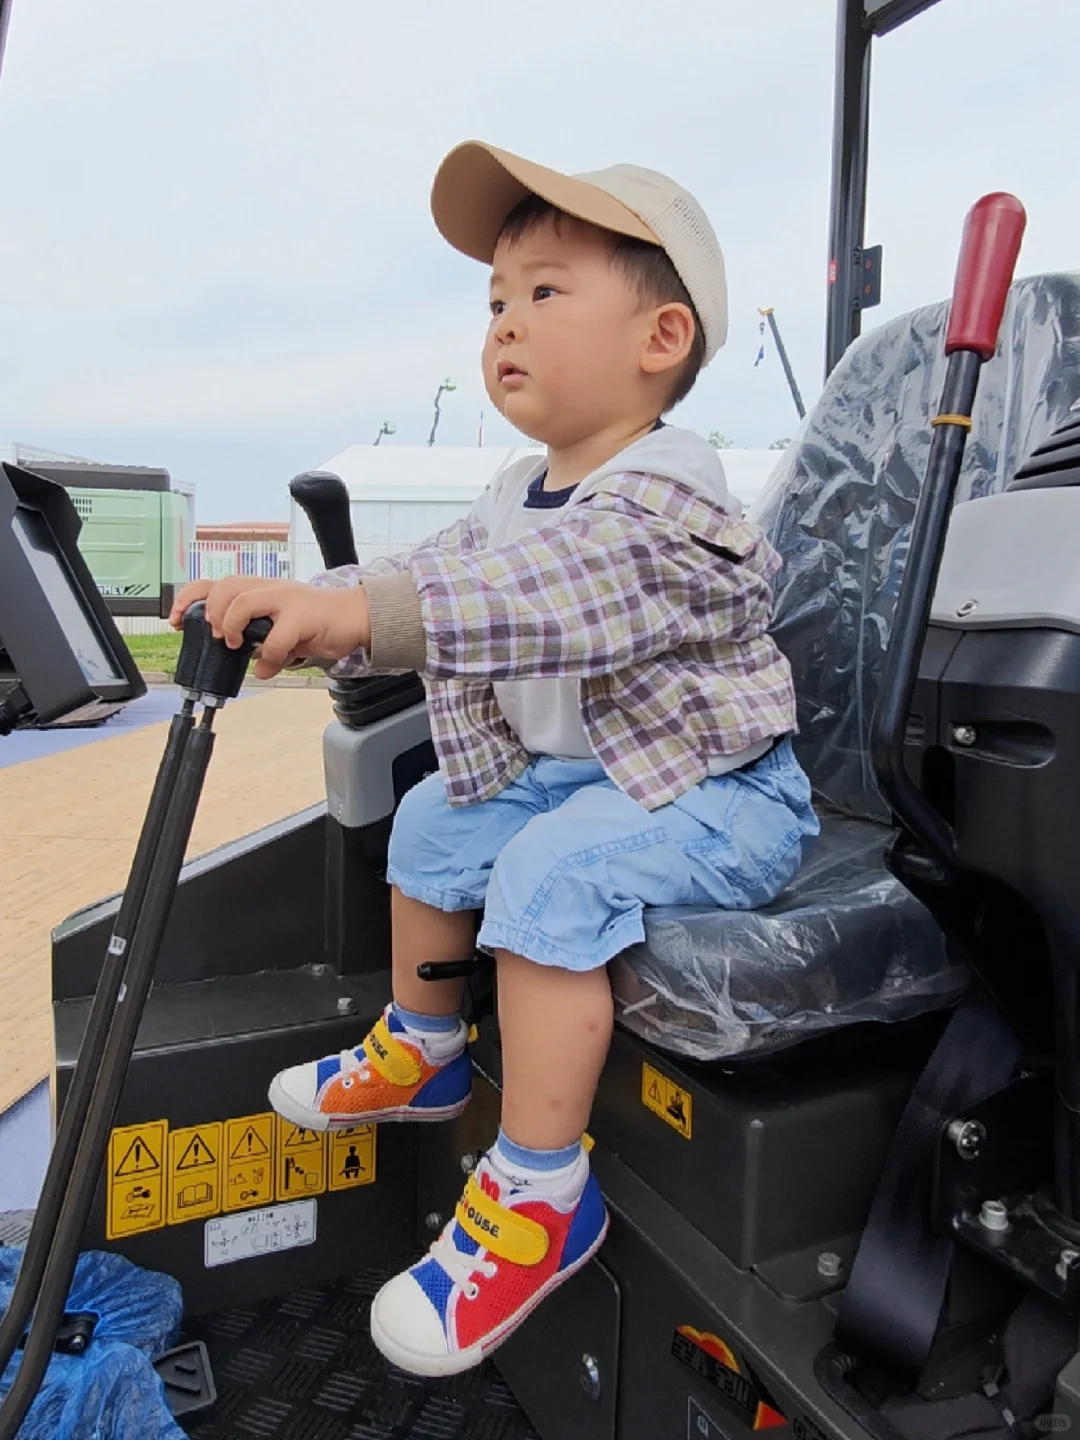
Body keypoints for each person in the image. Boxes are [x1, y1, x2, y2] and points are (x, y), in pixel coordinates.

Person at [170, 140, 818, 1379]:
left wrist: (365, 617)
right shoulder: (522, 486)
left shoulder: (674, 501)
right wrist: (311, 599)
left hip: (719, 793)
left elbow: (546, 597)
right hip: (595, 776)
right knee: (432, 823)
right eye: (496, 300)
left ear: (662, 337)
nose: (506, 323)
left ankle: (540, 1191)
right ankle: (426, 1046)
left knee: (547, 877)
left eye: (546, 291)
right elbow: (437, 572)